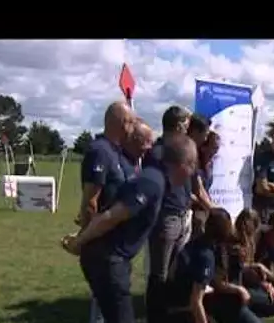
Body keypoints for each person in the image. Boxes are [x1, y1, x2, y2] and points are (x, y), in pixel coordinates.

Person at [61, 135, 199, 323]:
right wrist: (79, 242)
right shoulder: (153, 183)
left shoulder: (158, 180)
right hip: (107, 260)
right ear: (184, 165)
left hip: (112, 259)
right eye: (193, 165)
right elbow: (111, 216)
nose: (193, 172)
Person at [74, 101, 135, 323]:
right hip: (104, 249)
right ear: (120, 123)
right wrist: (90, 237)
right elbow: (91, 201)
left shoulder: (117, 153)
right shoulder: (100, 151)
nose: (133, 127)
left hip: (117, 246)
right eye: (130, 121)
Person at [145, 105, 196, 322]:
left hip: (183, 215)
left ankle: (171, 313)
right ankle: (156, 317)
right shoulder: (159, 152)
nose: (188, 128)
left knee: (176, 270)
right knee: (160, 273)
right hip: (166, 218)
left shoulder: (180, 149)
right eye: (186, 123)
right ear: (177, 125)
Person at [164, 208, 258, 323]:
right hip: (181, 310)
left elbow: (212, 281)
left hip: (175, 303)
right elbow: (196, 301)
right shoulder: (206, 256)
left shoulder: (198, 242)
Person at [234, 210, 274, 322]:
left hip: (252, 286)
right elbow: (238, 270)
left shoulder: (255, 241)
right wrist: (264, 282)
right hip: (237, 288)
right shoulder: (235, 243)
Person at [192, 131, 221, 238]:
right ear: (204, 147)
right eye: (214, 147)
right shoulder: (195, 165)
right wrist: (211, 208)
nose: (216, 151)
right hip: (194, 207)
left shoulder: (210, 164)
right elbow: (196, 191)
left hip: (204, 205)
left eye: (217, 148)